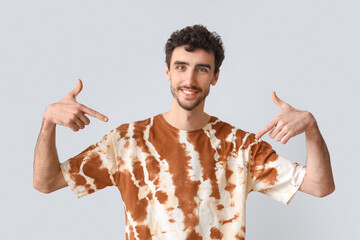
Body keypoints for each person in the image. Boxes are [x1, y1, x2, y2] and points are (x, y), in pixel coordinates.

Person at [33, 25, 335, 240]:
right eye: (181, 67)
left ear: (215, 77)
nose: (189, 79)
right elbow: (46, 182)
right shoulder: (127, 142)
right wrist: (48, 122)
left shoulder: (239, 146)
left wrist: (311, 128)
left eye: (202, 69)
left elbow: (320, 186)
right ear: (168, 72)